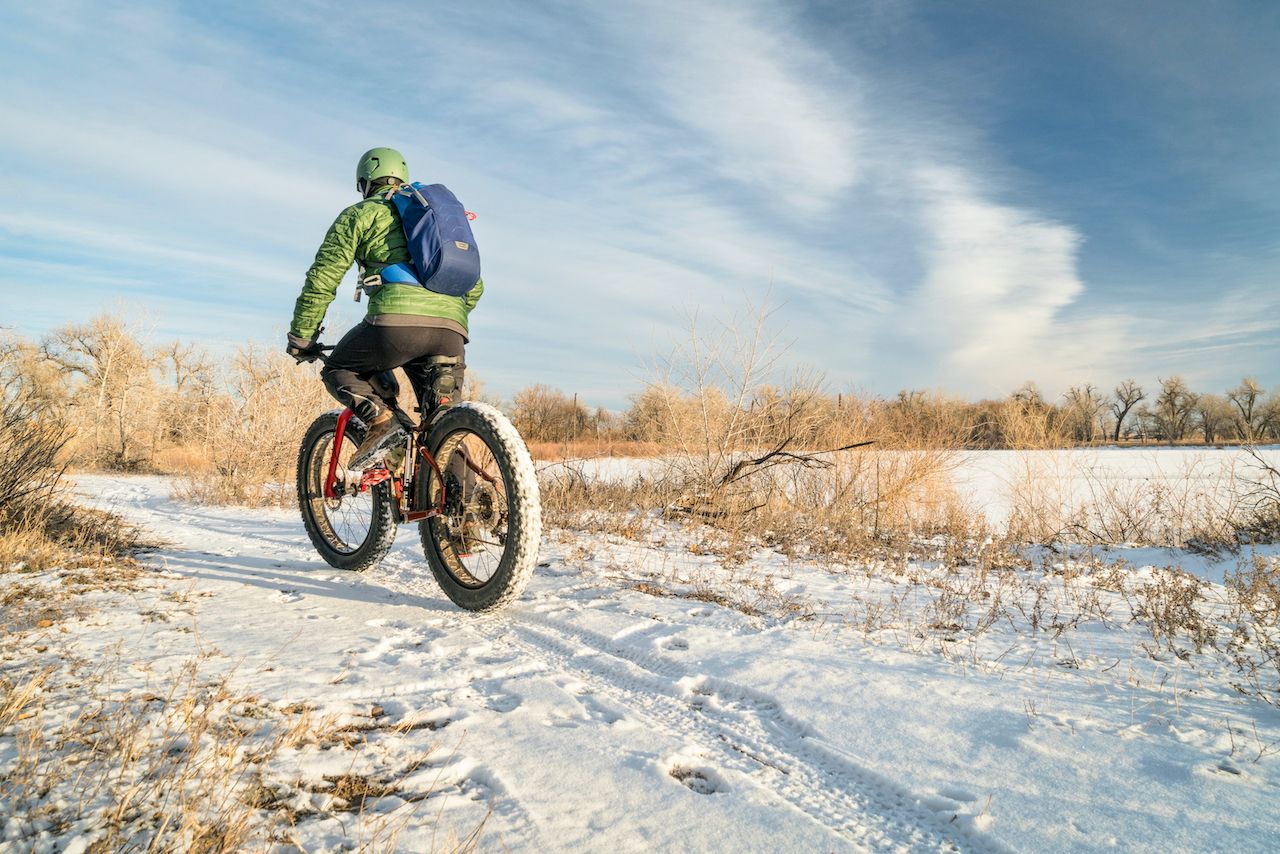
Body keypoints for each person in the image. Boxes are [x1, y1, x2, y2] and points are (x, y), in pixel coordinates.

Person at [286, 147, 483, 465]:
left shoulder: (360, 215)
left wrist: (302, 336)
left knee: (339, 369)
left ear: (364, 182)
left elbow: (322, 279)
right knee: (445, 425)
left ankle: (380, 421)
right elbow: (475, 286)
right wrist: (442, 315)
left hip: (393, 327)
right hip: (451, 331)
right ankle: (465, 509)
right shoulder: (433, 218)